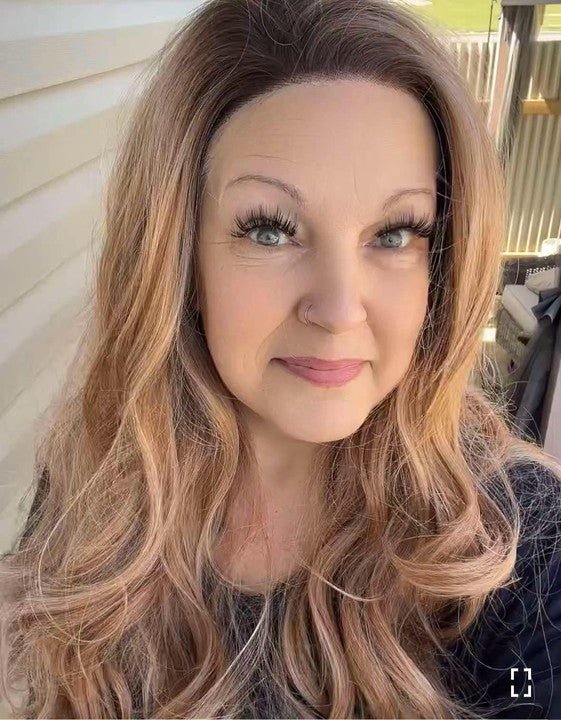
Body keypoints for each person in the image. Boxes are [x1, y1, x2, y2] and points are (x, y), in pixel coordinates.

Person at [1, 0, 561, 717]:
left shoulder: (522, 553)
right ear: (177, 255)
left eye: (394, 234)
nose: (338, 309)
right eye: (270, 231)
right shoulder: (97, 487)